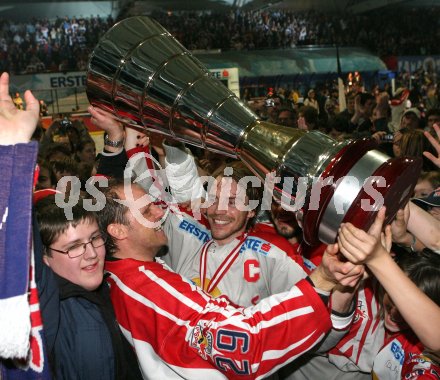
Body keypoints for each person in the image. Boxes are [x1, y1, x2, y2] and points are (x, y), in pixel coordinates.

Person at [98, 177, 364, 379]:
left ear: (251, 211)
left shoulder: (272, 257)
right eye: (213, 198)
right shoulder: (154, 280)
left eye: (233, 201)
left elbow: (323, 332)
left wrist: (335, 291)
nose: (219, 209)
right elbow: (245, 345)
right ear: (118, 231)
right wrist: (322, 281)